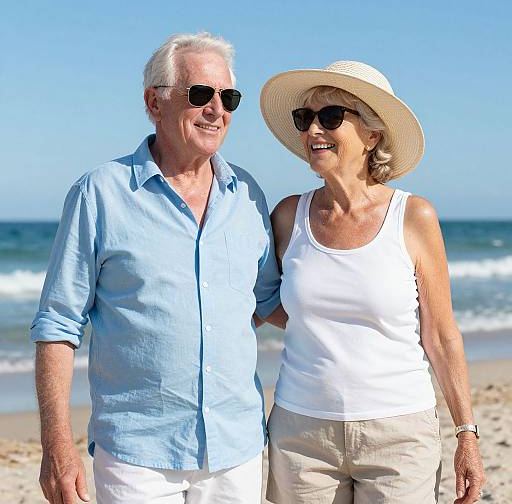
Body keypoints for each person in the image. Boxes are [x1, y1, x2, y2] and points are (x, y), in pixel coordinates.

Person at [31, 32, 281, 504]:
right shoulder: (99, 193)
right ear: (154, 102)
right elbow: (58, 325)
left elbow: (269, 302)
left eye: (228, 97)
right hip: (135, 454)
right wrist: (56, 446)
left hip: (236, 449)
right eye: (201, 94)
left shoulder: (247, 194)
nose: (217, 110)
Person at [259, 61, 486, 503]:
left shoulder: (414, 216)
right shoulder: (288, 216)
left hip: (399, 433)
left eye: (329, 117)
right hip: (301, 434)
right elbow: (259, 298)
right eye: (305, 118)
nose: (312, 131)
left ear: (373, 134)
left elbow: (440, 334)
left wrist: (467, 435)